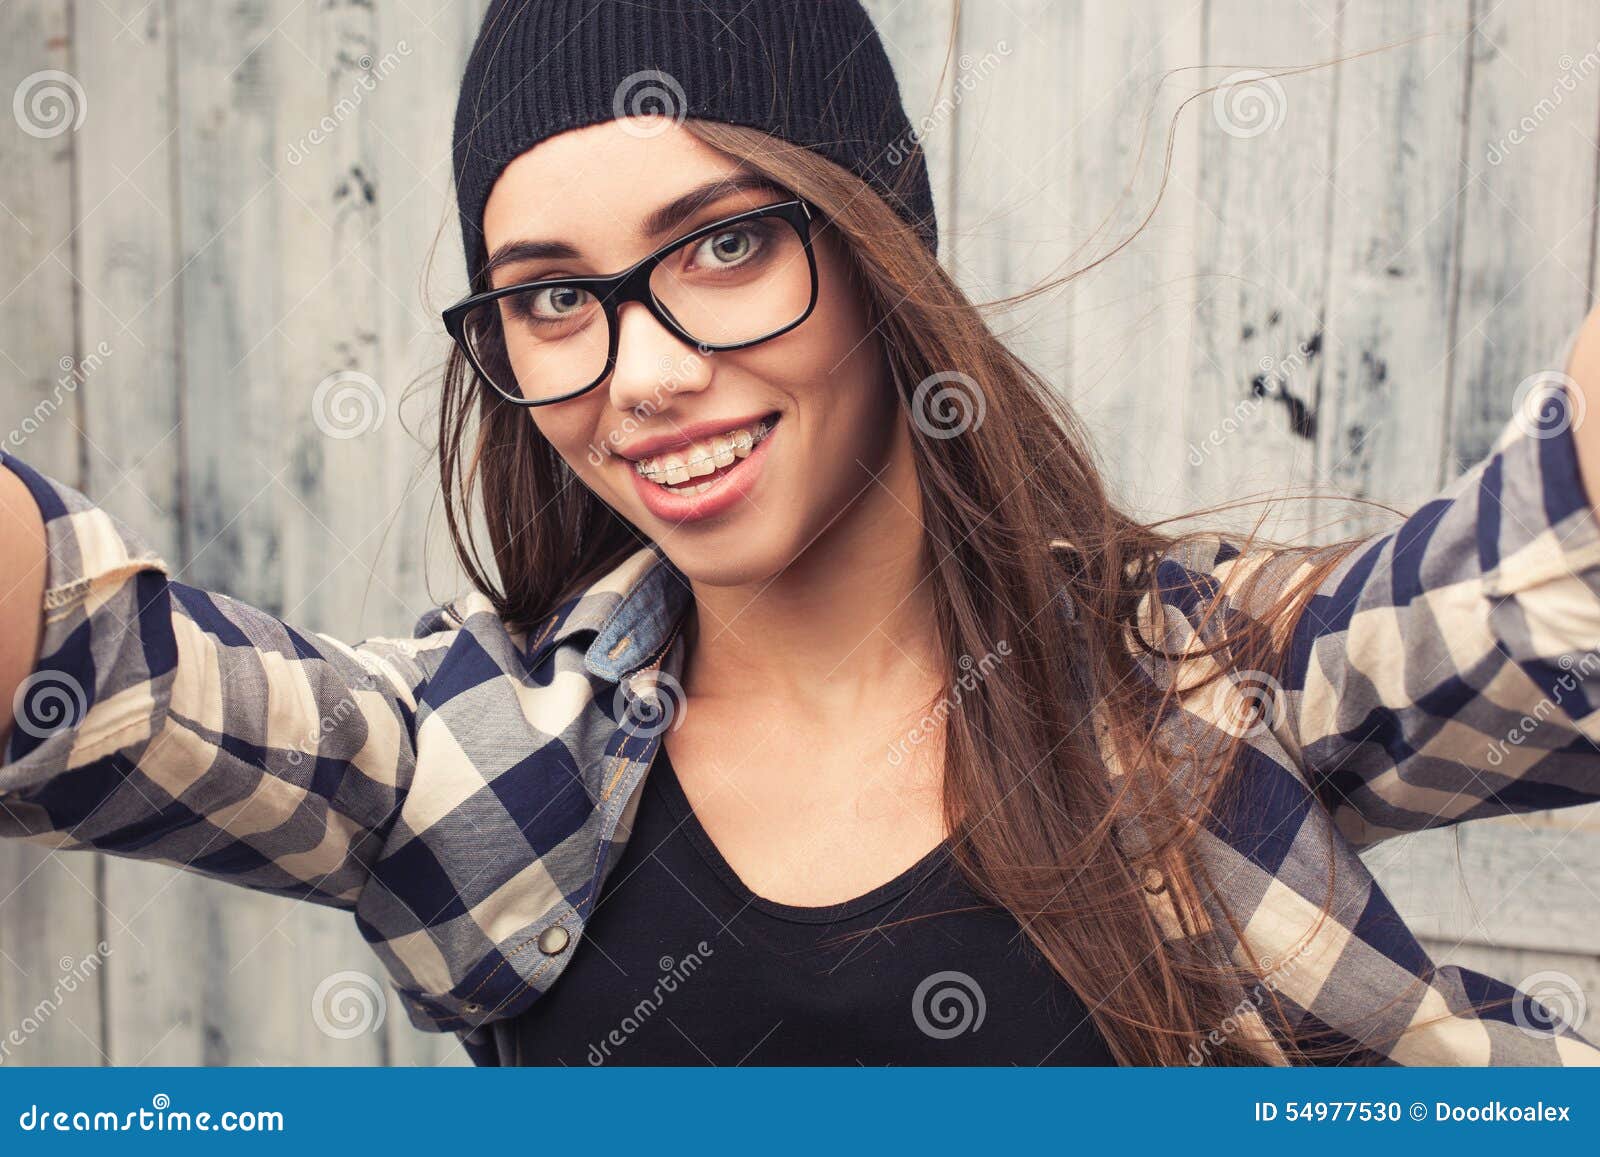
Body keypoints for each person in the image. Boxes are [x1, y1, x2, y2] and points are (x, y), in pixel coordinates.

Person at [4, 0, 1600, 1067]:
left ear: (878, 242)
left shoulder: (1207, 689)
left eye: (722, 245)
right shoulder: (475, 763)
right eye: (555, 296)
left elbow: (1554, 584)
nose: (643, 376)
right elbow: (84, 667)